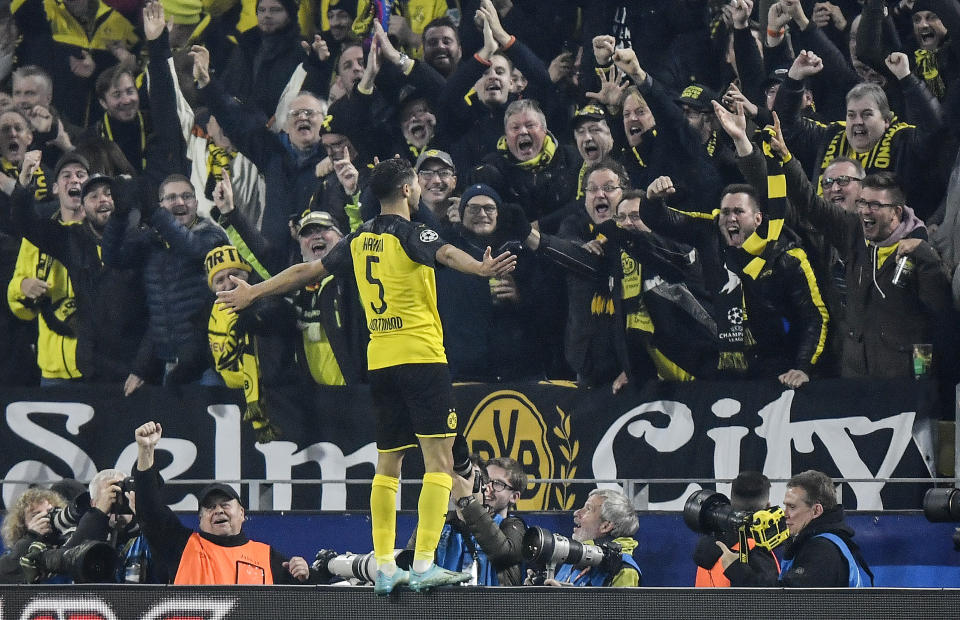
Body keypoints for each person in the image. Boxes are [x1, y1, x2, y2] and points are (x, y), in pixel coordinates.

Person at [217, 157, 516, 594]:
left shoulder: (359, 237)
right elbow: (447, 253)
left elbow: (306, 272)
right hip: (421, 357)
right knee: (441, 463)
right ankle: (425, 564)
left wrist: (254, 291)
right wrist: (481, 269)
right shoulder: (411, 232)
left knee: (388, 464)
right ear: (409, 190)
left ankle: (385, 566)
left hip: (381, 362)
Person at [132, 421, 316, 584]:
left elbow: (304, 601)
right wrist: (146, 450)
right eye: (210, 507)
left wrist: (305, 576)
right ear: (200, 519)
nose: (218, 510)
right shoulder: (180, 545)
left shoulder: (268, 558)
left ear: (242, 513)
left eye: (225, 504)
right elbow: (149, 509)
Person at [101, 173, 228, 387]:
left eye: (186, 196)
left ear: (196, 203)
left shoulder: (212, 235)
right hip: (170, 363)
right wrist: (119, 216)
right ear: (161, 203)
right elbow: (113, 258)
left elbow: (192, 248)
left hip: (211, 363)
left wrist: (155, 213)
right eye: (171, 198)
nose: (179, 202)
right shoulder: (151, 242)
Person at [6, 151, 84, 385]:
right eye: (66, 176)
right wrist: (22, 286)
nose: (74, 180)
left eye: (81, 175)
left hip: (96, 368)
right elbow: (16, 302)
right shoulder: (36, 237)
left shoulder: (102, 235)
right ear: (55, 188)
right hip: (52, 370)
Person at [725, 470, 873, 587]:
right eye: (785, 506)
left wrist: (737, 570)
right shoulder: (828, 541)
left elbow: (787, 603)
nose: (785, 514)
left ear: (816, 511)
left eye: (792, 507)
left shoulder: (822, 550)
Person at [423, 456, 527, 586]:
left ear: (514, 496)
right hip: (445, 604)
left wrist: (466, 501)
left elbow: (504, 555)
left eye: (498, 484)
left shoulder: (516, 527)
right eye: (485, 480)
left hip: (495, 604)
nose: (487, 487)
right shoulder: (446, 525)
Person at [693, 471, 780, 587]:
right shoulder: (757, 549)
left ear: (730, 503)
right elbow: (772, 601)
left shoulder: (709, 541)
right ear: (768, 507)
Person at [544, 488, 641, 587]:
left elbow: (619, 603)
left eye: (588, 509)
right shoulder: (573, 555)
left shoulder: (624, 569)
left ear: (605, 526)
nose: (577, 513)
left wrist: (560, 599)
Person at [0, 487, 68, 583]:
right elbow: (3, 574)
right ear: (22, 523)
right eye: (36, 515)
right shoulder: (17, 551)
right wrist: (32, 537)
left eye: (50, 512)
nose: (45, 518)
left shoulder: (68, 543)